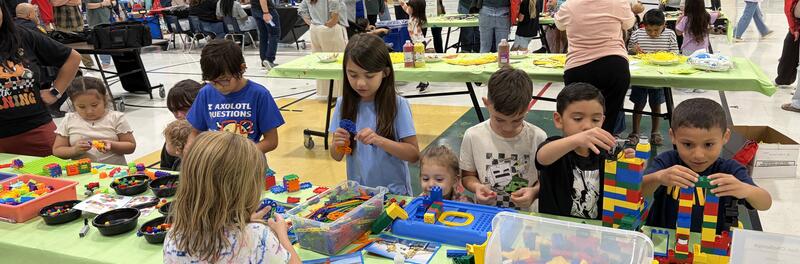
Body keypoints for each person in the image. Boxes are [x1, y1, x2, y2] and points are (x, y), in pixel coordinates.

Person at [163, 131, 301, 264]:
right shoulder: (258, 236)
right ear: (247, 189)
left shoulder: (174, 236)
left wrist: (244, 222)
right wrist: (281, 235)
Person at [642, 98, 772, 232]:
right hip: (663, 240)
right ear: (673, 136)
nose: (698, 155)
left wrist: (746, 189)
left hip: (712, 246)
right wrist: (658, 177)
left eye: (708, 144)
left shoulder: (730, 170)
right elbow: (638, 190)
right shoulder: (666, 162)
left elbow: (765, 203)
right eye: (688, 144)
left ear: (725, 137)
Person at [329, 34, 420, 195]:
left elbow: (413, 155)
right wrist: (338, 143)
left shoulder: (397, 105)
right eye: (353, 75)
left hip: (394, 196)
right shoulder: (343, 104)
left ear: (385, 73)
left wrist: (379, 140)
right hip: (359, 195)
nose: (360, 83)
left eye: (369, 76)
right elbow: (336, 156)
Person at [460, 67, 546, 211]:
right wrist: (477, 187)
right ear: (487, 103)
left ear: (528, 107)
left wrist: (534, 192)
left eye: (517, 120)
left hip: (527, 216)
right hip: (487, 214)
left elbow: (546, 180)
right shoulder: (473, 136)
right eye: (499, 119)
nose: (507, 128)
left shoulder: (538, 137)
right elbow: (467, 176)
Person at [0, 3, 81, 156]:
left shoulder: (22, 35)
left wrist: (55, 92)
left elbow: (72, 58)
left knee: (58, 176)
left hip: (35, 130)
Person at [536, 83, 625, 219]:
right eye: (578, 119)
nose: (588, 126)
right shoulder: (556, 148)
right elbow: (542, 157)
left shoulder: (608, 152)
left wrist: (627, 163)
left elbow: (622, 188)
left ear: (603, 120)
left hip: (596, 231)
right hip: (557, 232)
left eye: (595, 119)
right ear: (559, 120)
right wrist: (577, 139)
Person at [186, 40, 285, 155]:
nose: (219, 87)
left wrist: (240, 156)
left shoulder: (259, 95)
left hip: (248, 165)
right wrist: (191, 151)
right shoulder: (205, 93)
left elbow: (271, 141)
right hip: (216, 164)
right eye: (213, 81)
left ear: (242, 68)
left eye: (225, 80)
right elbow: (194, 133)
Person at [555, 0, 635, 133]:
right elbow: (629, 23)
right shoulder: (618, 2)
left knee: (577, 118)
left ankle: (578, 149)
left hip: (579, 66)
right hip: (614, 65)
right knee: (606, 119)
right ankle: (602, 149)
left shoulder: (569, 5)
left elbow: (559, 24)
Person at [52, 77, 136, 165]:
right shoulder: (69, 120)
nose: (89, 111)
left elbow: (131, 146)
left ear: (104, 99)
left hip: (115, 172)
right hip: (83, 174)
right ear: (73, 104)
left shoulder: (116, 118)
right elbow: (57, 150)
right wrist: (74, 150)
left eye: (94, 105)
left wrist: (112, 145)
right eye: (81, 107)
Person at [624, 9, 677, 145]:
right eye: (649, 30)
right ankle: (635, 132)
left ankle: (655, 132)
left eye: (656, 30)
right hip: (641, 77)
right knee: (638, 105)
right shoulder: (637, 34)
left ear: (663, 25)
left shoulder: (670, 35)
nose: (652, 34)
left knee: (656, 105)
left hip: (659, 78)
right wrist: (633, 51)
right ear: (644, 26)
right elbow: (630, 52)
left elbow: (675, 54)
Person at [298, 0, 348, 99]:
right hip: (330, 30)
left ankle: (327, 92)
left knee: (322, 64)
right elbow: (335, 13)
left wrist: (312, 23)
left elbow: (301, 9)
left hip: (315, 30)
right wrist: (330, 23)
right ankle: (338, 93)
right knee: (337, 63)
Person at [161, 79, 202, 170]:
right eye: (174, 110)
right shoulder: (174, 134)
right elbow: (165, 168)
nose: (179, 115)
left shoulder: (213, 130)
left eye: (184, 109)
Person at [51, 0, 94, 67]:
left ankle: (89, 66)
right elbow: (55, 3)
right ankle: (74, 68)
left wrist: (62, 2)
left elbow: (79, 2)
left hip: (77, 21)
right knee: (66, 49)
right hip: (61, 24)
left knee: (83, 45)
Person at [400, 0, 429, 92]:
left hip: (419, 44)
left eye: (410, 7)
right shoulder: (412, 15)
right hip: (415, 43)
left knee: (420, 63)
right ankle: (422, 80)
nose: (408, 8)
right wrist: (402, 3)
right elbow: (406, 9)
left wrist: (415, 45)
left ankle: (425, 81)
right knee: (417, 63)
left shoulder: (417, 19)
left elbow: (416, 34)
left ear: (415, 9)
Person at [775, 0, 800, 89]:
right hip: (796, 24)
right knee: (789, 49)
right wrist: (794, 29)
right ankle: (783, 79)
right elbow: (789, 10)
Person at [250, 0, 281, 69]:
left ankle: (264, 60)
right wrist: (266, 12)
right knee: (274, 34)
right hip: (266, 10)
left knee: (263, 35)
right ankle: (269, 59)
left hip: (255, 9)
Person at [86, 0, 114, 68]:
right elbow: (88, 5)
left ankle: (111, 60)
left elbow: (113, 2)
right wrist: (102, 4)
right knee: (102, 41)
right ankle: (105, 62)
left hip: (108, 19)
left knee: (112, 40)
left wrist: (110, 3)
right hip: (96, 21)